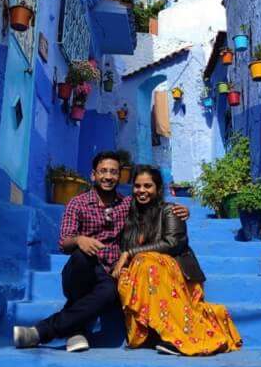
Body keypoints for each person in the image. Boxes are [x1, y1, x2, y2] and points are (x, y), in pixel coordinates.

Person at [13, 152, 189, 353]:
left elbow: (151, 203)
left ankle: (46, 332)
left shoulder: (126, 204)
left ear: (119, 176)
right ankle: (74, 328)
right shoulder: (77, 203)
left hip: (109, 273)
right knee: (81, 256)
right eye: (103, 171)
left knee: (109, 293)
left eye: (113, 172)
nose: (108, 176)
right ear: (93, 175)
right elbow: (64, 243)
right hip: (80, 272)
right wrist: (79, 239)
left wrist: (179, 210)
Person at [112, 165, 242, 356]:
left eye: (148, 186)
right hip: (144, 274)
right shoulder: (128, 216)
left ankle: (177, 338)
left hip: (175, 270)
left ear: (157, 189)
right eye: (137, 186)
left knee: (145, 263)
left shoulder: (171, 211)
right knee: (135, 268)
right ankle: (149, 331)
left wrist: (130, 253)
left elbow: (173, 242)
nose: (142, 191)